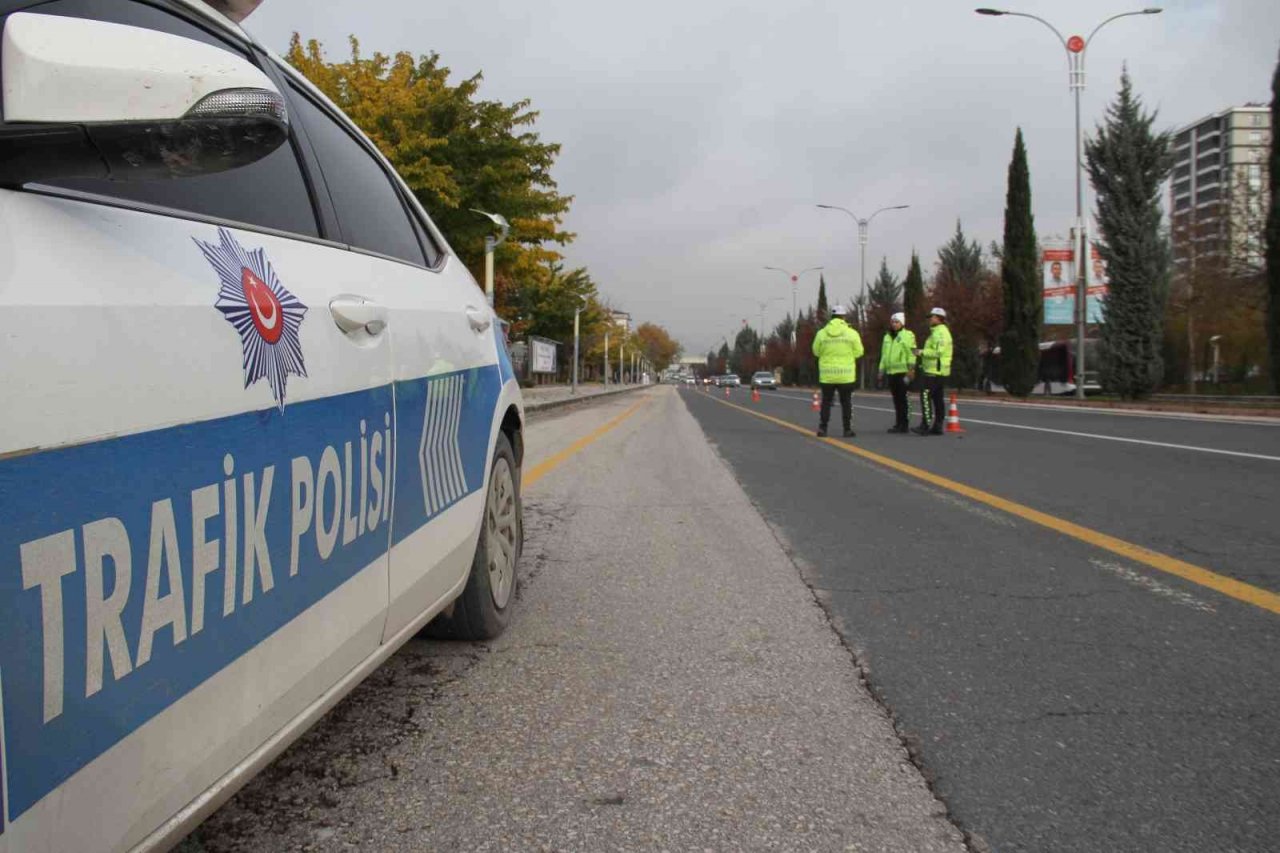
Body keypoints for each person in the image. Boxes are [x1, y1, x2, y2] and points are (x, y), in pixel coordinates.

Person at [811, 304, 863, 437]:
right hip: (846, 376)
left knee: (826, 402)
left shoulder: (821, 333)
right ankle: (847, 429)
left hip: (827, 375)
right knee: (846, 403)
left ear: (831, 317)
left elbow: (816, 352)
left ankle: (823, 428)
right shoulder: (852, 333)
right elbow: (859, 352)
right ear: (844, 317)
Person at [912, 307, 952, 436]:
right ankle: (938, 426)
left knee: (925, 397)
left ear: (939, 318)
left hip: (934, 371)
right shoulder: (938, 332)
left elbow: (938, 352)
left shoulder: (940, 333)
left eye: (932, 317)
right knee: (937, 399)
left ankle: (925, 425)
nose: (929, 319)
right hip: (938, 371)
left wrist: (920, 352)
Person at [878, 312, 916, 433]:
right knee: (896, 399)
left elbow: (911, 353)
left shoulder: (907, 335)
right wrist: (881, 370)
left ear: (902, 323)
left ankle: (904, 424)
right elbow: (884, 355)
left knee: (903, 399)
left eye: (897, 322)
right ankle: (898, 423)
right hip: (891, 372)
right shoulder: (887, 337)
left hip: (902, 372)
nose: (894, 324)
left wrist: (911, 369)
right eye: (893, 322)